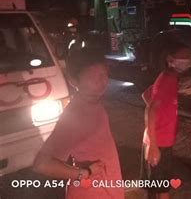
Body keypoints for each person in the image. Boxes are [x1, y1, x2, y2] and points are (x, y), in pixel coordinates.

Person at [33, 49, 124, 199]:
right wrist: (84, 173)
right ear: (73, 81)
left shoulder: (94, 103)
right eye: (91, 76)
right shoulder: (76, 115)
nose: (100, 81)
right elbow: (42, 164)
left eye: (103, 74)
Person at [142, 42, 191, 199]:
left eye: (188, 57)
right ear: (170, 59)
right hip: (159, 144)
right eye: (183, 56)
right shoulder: (168, 80)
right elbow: (151, 109)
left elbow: (146, 95)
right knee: (162, 191)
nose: (187, 60)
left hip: (159, 142)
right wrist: (153, 145)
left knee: (154, 188)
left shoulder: (167, 77)